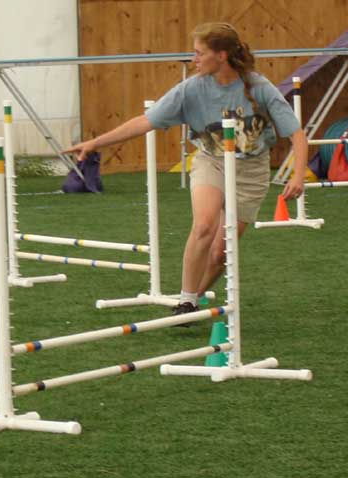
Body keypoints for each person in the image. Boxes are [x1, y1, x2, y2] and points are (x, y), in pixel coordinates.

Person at [65, 22, 307, 319]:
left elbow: (296, 133)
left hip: (251, 169)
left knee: (221, 250)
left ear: (221, 55)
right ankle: (186, 299)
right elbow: (145, 122)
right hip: (211, 160)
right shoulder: (191, 88)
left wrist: (297, 175)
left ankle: (192, 303)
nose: (193, 59)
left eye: (199, 53)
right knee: (204, 225)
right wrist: (95, 143)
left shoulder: (258, 87)